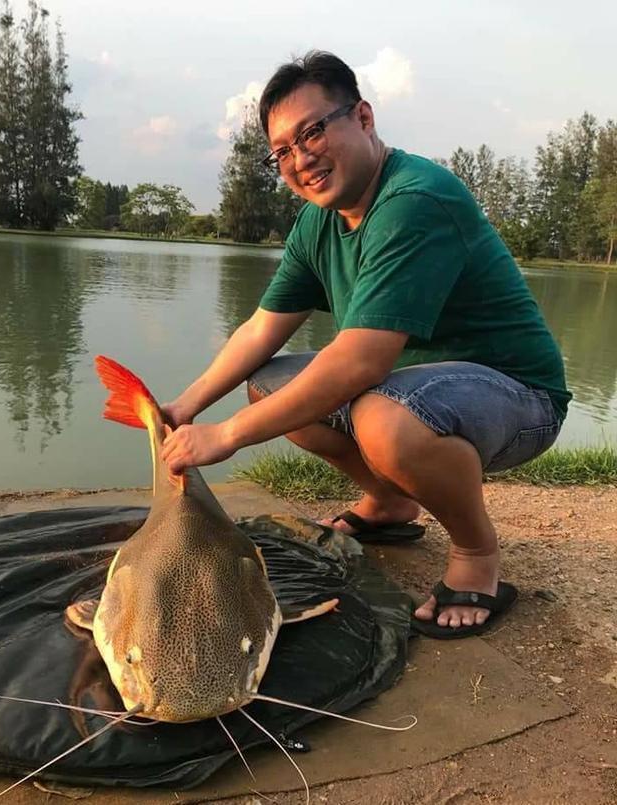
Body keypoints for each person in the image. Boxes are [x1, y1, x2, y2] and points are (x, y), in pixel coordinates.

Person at [161, 51, 570, 639]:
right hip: (419, 389)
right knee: (270, 385)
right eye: (282, 151)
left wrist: (226, 437)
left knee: (384, 419)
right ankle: (390, 503)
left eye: (313, 131)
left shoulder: (415, 199)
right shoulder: (318, 222)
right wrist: (186, 406)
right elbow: (261, 329)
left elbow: (362, 360)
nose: (301, 158)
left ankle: (478, 555)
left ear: (364, 117)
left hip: (516, 395)